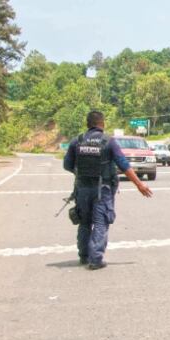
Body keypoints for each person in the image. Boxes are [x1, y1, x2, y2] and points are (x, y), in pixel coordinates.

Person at [63, 111, 153, 270]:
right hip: (102, 190)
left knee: (84, 222)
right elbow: (124, 165)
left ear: (87, 124)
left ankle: (84, 255)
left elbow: (67, 165)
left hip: (82, 188)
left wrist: (82, 173)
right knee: (100, 222)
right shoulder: (108, 142)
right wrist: (140, 185)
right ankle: (95, 259)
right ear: (102, 124)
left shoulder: (77, 141)